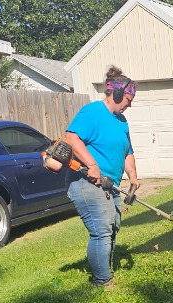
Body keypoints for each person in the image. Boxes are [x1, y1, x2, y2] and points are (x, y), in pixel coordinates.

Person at [64, 66, 141, 287]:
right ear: (116, 94)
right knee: (101, 230)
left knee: (113, 226)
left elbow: (127, 151)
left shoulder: (121, 121)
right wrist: (92, 165)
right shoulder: (93, 112)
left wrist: (133, 176)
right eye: (128, 99)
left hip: (111, 185)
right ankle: (103, 281)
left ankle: (105, 268)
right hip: (87, 183)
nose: (130, 104)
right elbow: (71, 138)